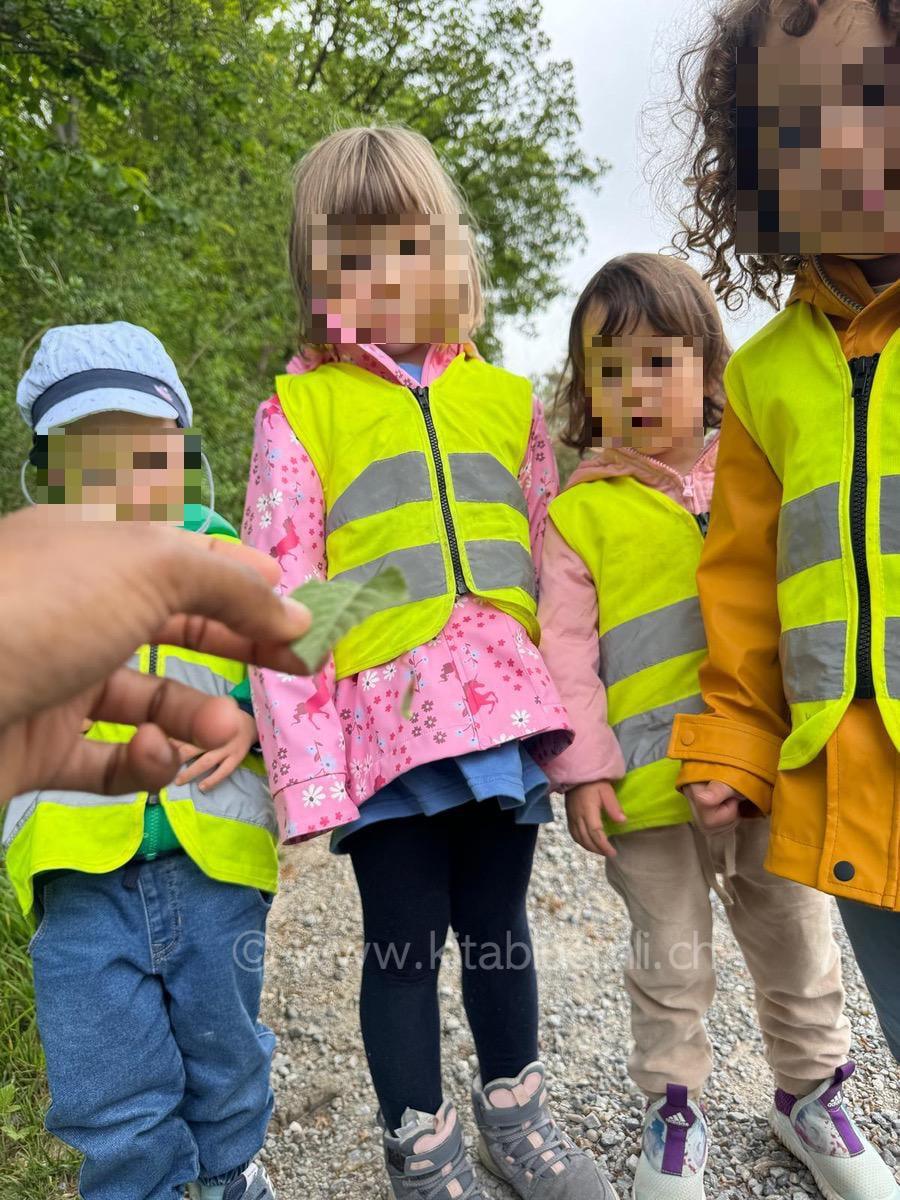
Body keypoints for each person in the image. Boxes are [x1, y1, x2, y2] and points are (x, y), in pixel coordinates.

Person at [244, 125, 615, 1200]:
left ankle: (517, 1113)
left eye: (404, 245)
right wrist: (307, 770)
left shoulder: (510, 406)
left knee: (497, 929)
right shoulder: (302, 410)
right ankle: (420, 1139)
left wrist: (584, 736)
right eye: (350, 258)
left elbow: (558, 575)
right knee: (401, 943)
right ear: (319, 284)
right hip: (389, 726)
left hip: (499, 719)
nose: (382, 275)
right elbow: (288, 593)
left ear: (449, 252)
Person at [538, 252, 895, 1200]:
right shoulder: (580, 515)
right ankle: (673, 1112)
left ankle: (812, 1094)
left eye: (660, 359)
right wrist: (581, 769)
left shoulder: (752, 469)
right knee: (671, 960)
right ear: (584, 389)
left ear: (709, 364)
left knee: (796, 941)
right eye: (608, 370)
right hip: (648, 790)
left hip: (772, 768)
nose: (636, 387)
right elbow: (566, 655)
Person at [665, 0, 900, 1073]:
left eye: (871, 95)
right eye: (796, 127)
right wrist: (732, 742)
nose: (840, 144)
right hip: (854, 791)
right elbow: (747, 589)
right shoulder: (761, 382)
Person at [6, 322, 283, 1200]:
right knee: (108, 1083)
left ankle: (229, 1174)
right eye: (93, 460)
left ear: (183, 453)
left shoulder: (228, 563)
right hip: (80, 876)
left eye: (147, 454)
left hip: (215, 867)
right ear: (48, 477)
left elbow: (295, 678)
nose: (124, 483)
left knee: (226, 1053)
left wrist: (245, 716)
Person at [0, 506, 311, 805]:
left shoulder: (238, 556)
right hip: (61, 828)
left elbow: (281, 654)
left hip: (219, 816)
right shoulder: (39, 563)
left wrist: (248, 713)